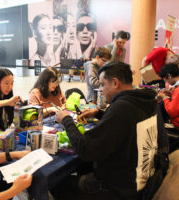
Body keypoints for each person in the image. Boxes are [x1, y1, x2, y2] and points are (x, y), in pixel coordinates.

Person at [55, 62, 163, 199]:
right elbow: (128, 125)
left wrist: (66, 120)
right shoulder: (145, 102)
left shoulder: (122, 108)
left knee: (58, 185)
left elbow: (85, 149)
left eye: (102, 84)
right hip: (141, 181)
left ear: (115, 83)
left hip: (119, 190)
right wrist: (100, 114)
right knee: (83, 168)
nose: (101, 89)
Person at [157, 64, 179, 130]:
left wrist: (164, 97)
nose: (167, 82)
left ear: (169, 76)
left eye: (166, 80)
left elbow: (171, 112)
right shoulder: (178, 88)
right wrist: (172, 94)